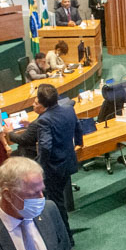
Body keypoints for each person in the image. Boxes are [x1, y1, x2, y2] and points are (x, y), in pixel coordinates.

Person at [34, 83, 83, 231]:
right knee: (59, 199)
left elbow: (46, 146)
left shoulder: (44, 120)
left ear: (42, 103)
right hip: (68, 161)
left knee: (56, 203)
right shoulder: (69, 109)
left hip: (54, 167)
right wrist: (79, 143)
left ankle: (66, 236)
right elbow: (78, 128)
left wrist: (40, 166)